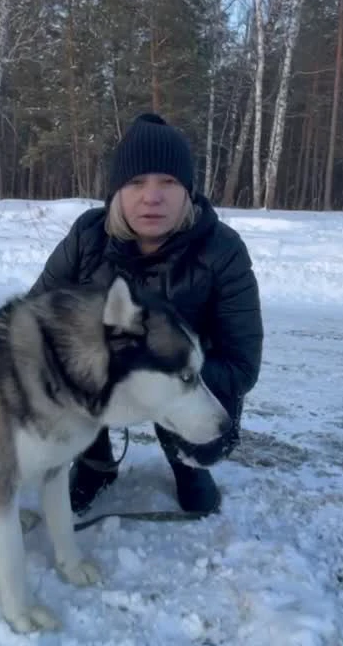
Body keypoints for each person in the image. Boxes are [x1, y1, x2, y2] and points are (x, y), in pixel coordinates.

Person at [28, 112, 264, 516]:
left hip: (185, 384)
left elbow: (242, 364)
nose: (151, 197)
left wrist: (162, 376)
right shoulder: (88, 238)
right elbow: (32, 322)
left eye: (168, 182)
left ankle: (187, 464)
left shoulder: (222, 251)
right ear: (118, 192)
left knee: (203, 441)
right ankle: (95, 463)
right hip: (101, 384)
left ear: (188, 191)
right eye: (136, 182)